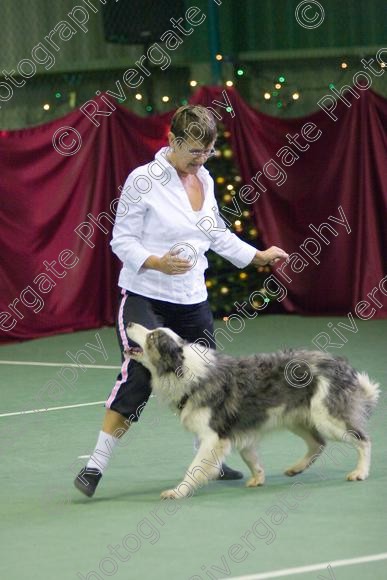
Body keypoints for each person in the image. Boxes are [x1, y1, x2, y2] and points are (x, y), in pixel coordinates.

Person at [74, 105, 288, 497]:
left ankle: (211, 462)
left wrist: (256, 255)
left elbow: (215, 233)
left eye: (207, 152)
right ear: (172, 140)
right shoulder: (143, 180)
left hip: (192, 299)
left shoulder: (203, 179)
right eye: (194, 151)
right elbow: (120, 239)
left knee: (209, 379)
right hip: (145, 296)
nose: (201, 160)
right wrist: (154, 261)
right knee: (139, 376)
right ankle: (94, 466)